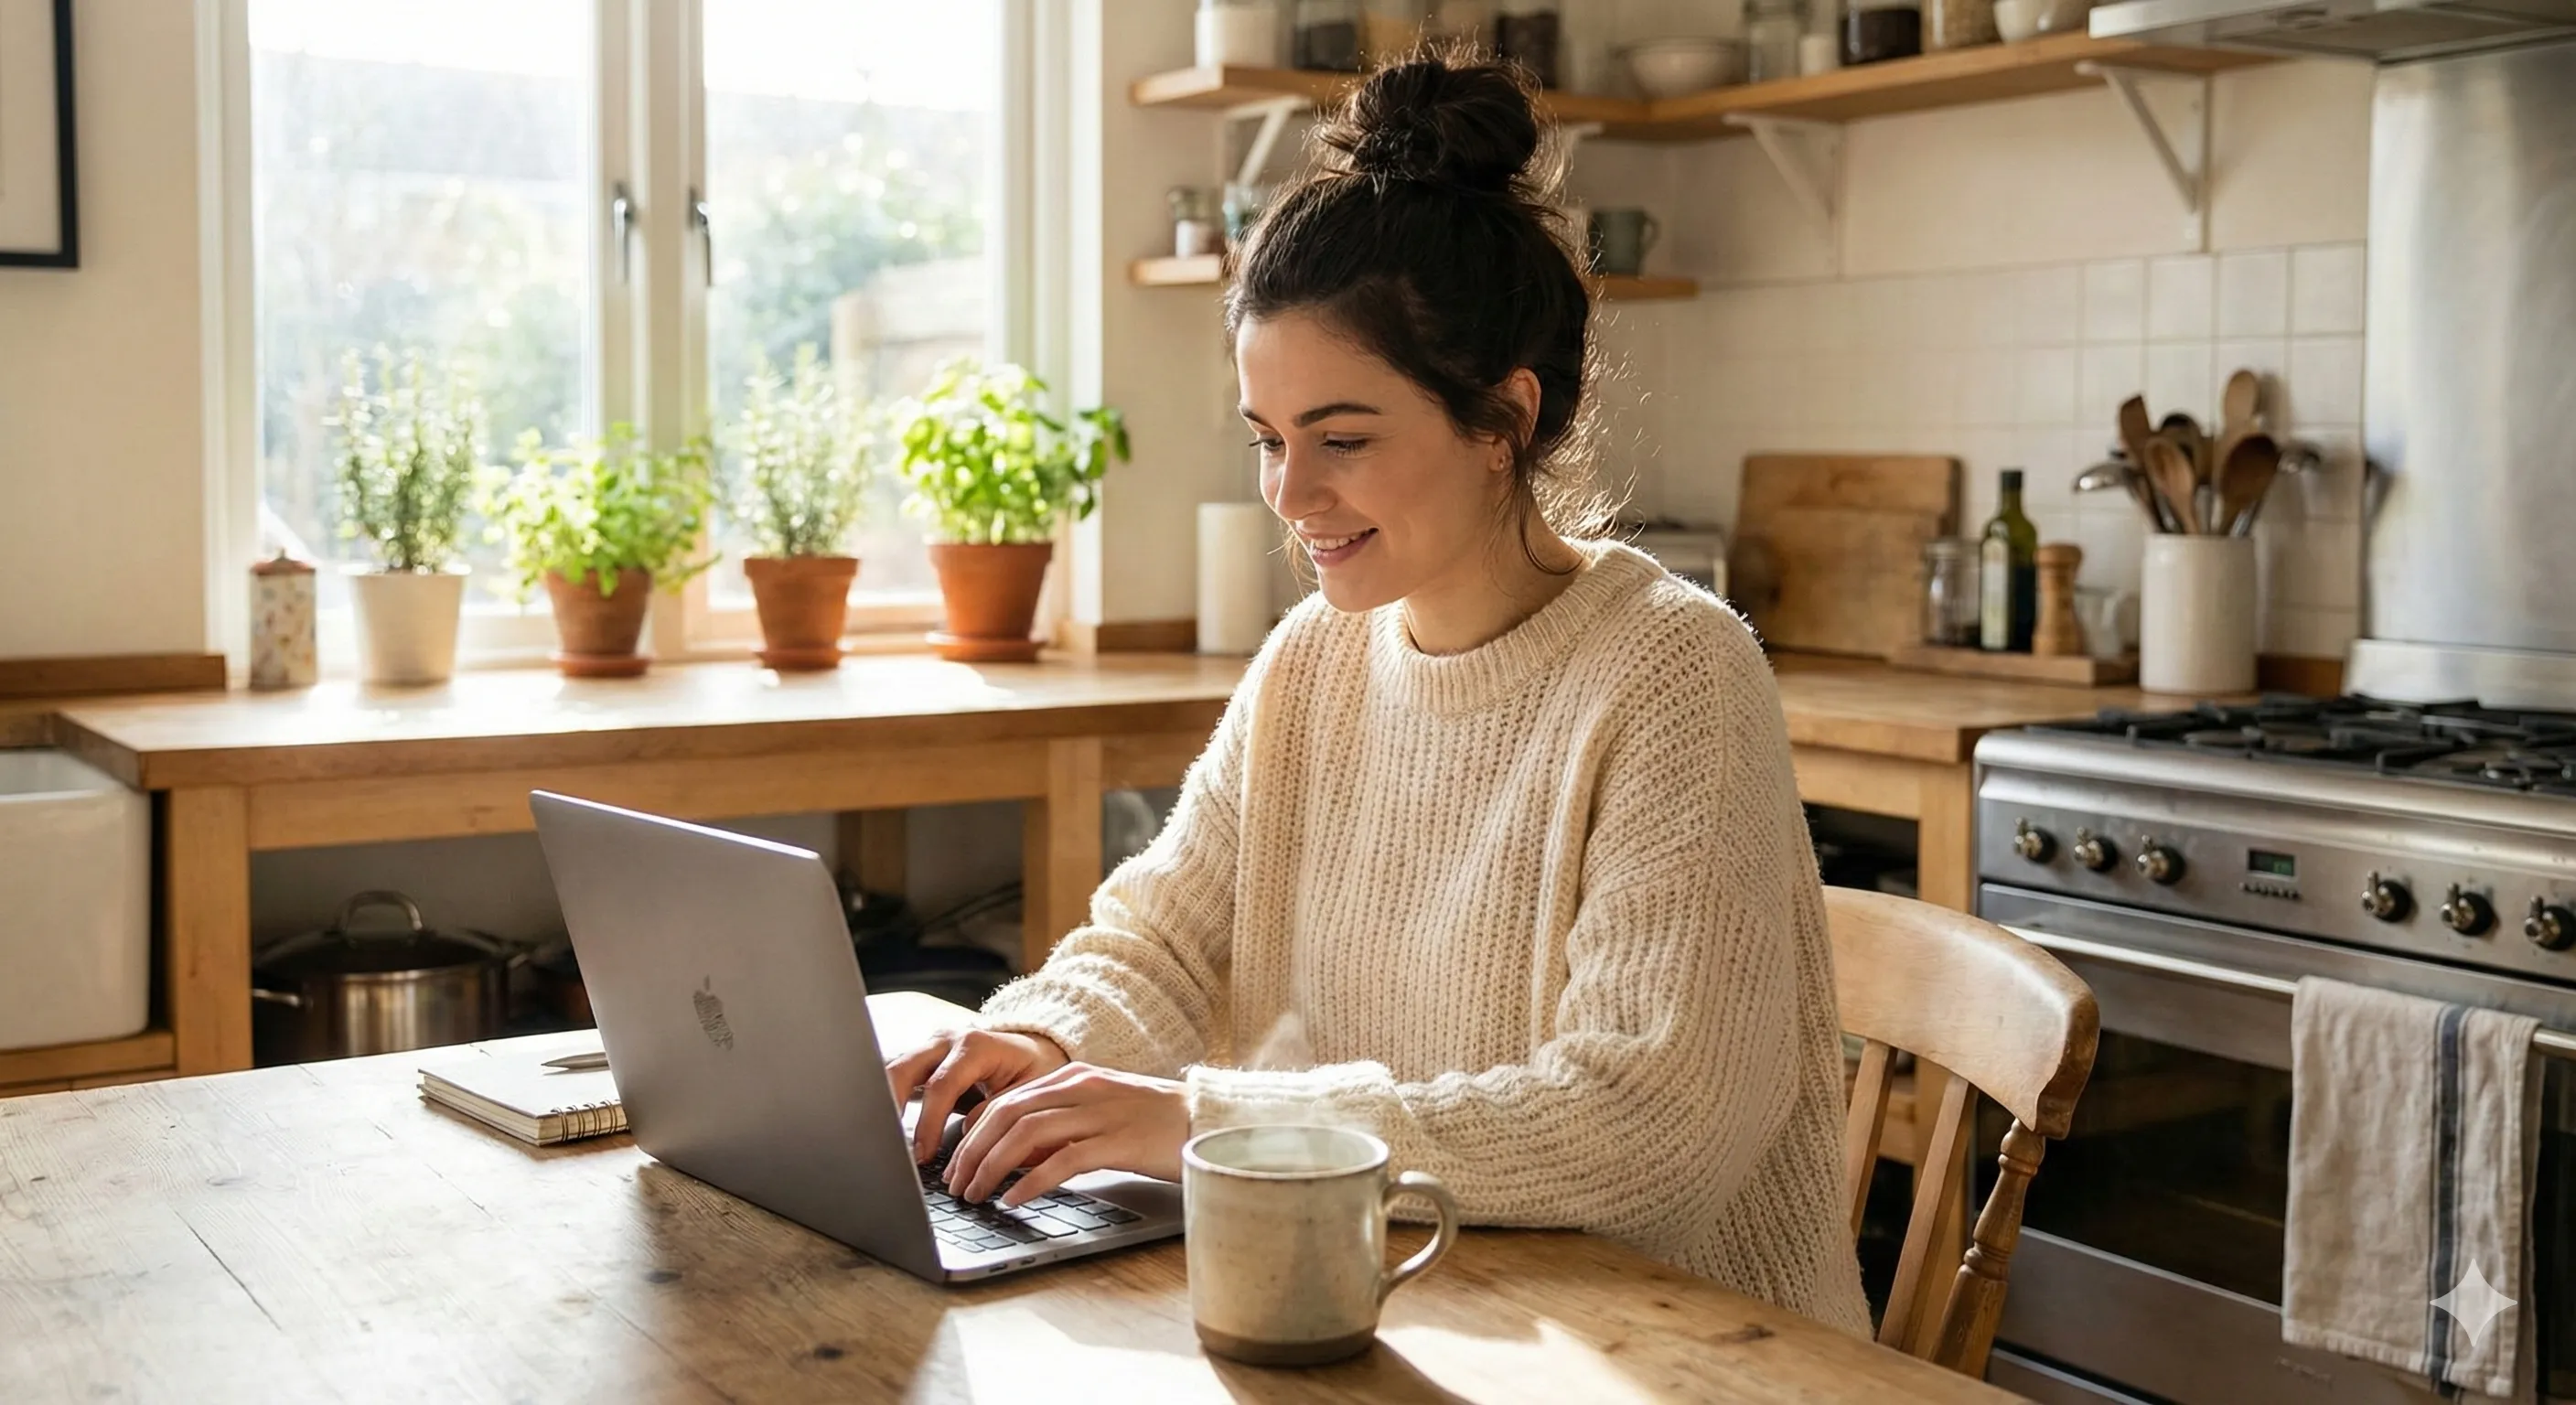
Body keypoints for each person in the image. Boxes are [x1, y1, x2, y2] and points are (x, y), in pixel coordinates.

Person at [886, 55, 1870, 1335]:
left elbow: (1646, 1118)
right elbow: (1165, 943)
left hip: (1679, 1347)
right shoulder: (1316, 660)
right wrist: (1045, 1047)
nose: (1291, 498)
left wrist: (1208, 1119)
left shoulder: (1673, 671)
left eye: (1341, 438)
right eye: (1267, 439)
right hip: (1407, 1301)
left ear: (1503, 419)